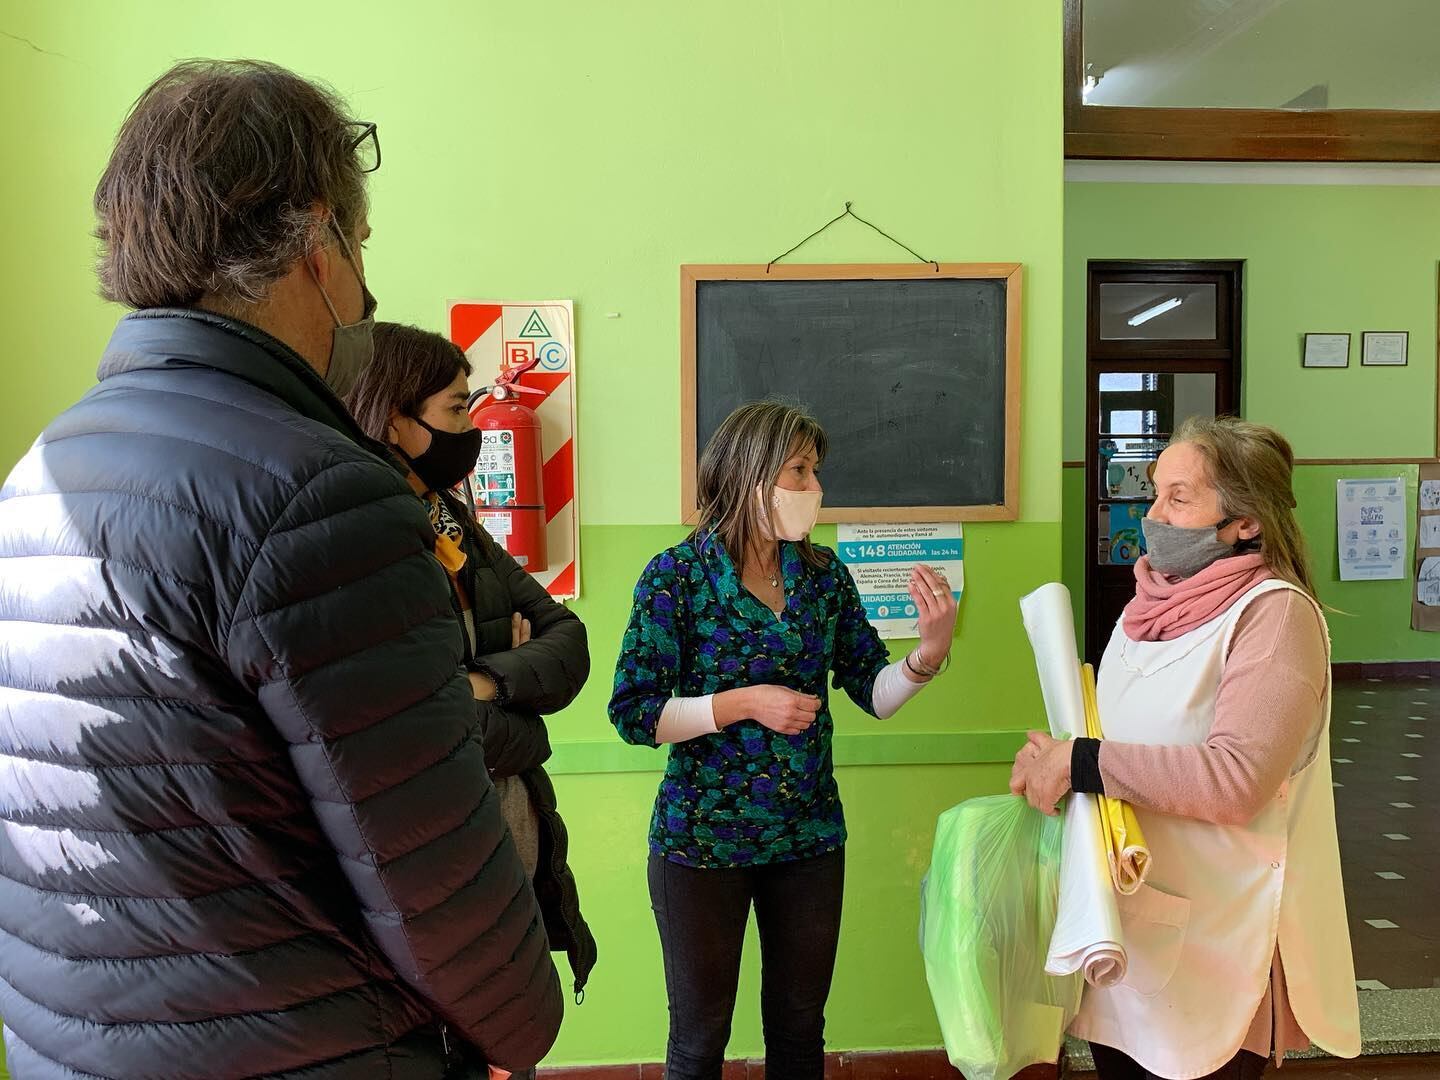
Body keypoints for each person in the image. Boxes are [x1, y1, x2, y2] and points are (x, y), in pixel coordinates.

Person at [0, 61, 558, 1079]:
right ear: (316, 243)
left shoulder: (38, 473)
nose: (362, 284)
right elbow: (434, 880)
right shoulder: (317, 496)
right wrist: (523, 1029)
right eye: (361, 245)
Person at [609, 401, 958, 1080]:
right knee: (699, 1037)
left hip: (807, 839)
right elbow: (634, 714)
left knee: (800, 1029)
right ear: (751, 473)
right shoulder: (676, 577)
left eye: (814, 470)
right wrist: (741, 704)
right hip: (701, 843)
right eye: (798, 469)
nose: (813, 487)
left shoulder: (822, 576)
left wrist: (928, 656)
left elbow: (872, 691)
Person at [1010, 416, 1361, 1080]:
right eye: (1155, 493)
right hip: (1135, 934)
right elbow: (1125, 746)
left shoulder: (1275, 616)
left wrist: (1081, 763)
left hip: (1219, 942)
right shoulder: (1147, 608)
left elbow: (1237, 780)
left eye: (1179, 496)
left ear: (1246, 523)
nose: (1154, 514)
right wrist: (1056, 760)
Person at [346, 322, 597, 1014]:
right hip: (431, 848)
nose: (471, 426)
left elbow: (565, 638)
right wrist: (512, 705)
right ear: (394, 420)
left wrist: (483, 678)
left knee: (509, 1025)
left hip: (508, 823)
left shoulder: (452, 520)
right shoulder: (364, 535)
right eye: (457, 408)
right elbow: (413, 720)